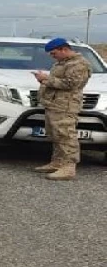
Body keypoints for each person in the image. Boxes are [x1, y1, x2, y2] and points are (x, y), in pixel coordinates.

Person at [32, 38, 92, 180]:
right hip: (54, 104)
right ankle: (58, 162)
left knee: (66, 135)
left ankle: (69, 167)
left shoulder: (79, 64)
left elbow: (71, 84)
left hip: (66, 106)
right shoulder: (62, 63)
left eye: (54, 53)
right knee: (56, 135)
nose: (53, 57)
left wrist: (45, 79)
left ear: (63, 49)